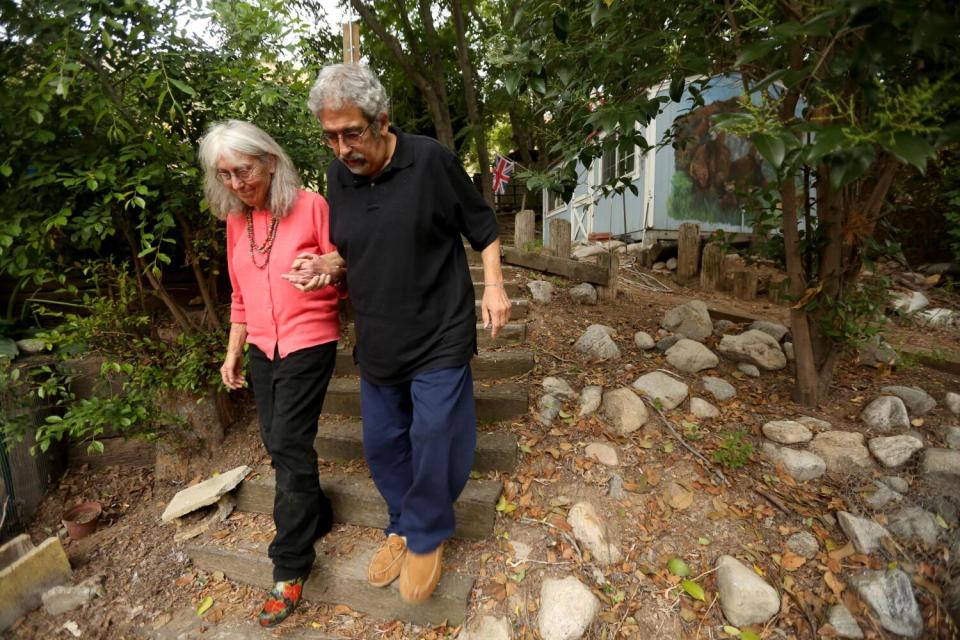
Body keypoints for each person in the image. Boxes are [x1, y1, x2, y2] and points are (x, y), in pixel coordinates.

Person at [287, 63, 511, 605]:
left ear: (381, 121)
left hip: (439, 330)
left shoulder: (430, 161)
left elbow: (482, 228)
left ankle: (427, 535)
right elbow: (359, 248)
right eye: (330, 136)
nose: (341, 148)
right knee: (383, 442)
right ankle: (402, 523)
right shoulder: (340, 176)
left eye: (351, 133)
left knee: (435, 437)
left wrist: (495, 288)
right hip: (380, 332)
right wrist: (327, 265)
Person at [198, 120, 344, 627]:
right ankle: (318, 514)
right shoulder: (237, 222)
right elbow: (239, 295)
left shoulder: (311, 206)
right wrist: (232, 351)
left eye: (244, 169)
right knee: (278, 441)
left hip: (310, 340)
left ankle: (290, 565)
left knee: (287, 442)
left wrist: (323, 268)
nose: (237, 183)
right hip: (262, 346)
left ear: (271, 162)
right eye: (226, 174)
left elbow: (345, 265)